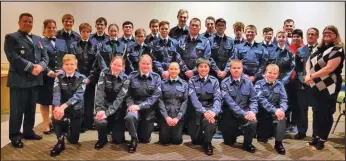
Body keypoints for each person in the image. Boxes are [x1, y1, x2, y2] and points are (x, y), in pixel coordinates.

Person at [4, 13, 49, 148]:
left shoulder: (37, 39)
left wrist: (41, 66)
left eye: (30, 22)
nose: (28, 24)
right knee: (17, 110)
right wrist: (31, 68)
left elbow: (45, 56)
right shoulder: (11, 37)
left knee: (30, 108)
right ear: (19, 22)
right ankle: (15, 136)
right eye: (25, 21)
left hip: (35, 80)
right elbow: (13, 57)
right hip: (19, 80)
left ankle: (28, 132)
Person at [304, 25, 345, 150]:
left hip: (330, 86)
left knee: (326, 113)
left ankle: (322, 139)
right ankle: (315, 137)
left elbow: (329, 68)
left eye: (330, 33)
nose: (327, 34)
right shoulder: (319, 48)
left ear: (335, 35)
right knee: (316, 112)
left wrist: (311, 75)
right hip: (316, 85)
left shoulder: (338, 49)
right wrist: (308, 74)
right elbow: (308, 61)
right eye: (325, 32)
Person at [50, 54, 86, 157]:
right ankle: (60, 141)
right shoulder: (59, 77)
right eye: (67, 64)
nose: (69, 66)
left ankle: (67, 129)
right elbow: (56, 93)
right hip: (62, 110)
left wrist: (63, 106)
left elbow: (78, 96)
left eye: (72, 64)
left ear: (76, 65)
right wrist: (57, 107)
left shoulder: (82, 78)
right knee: (56, 117)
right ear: (63, 65)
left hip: (76, 110)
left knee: (73, 140)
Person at [219, 59, 258, 153]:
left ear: (242, 69)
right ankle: (236, 132)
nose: (236, 70)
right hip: (230, 114)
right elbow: (230, 103)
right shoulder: (224, 83)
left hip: (245, 112)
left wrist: (252, 111)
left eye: (238, 68)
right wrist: (244, 113)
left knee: (253, 121)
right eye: (234, 68)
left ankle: (247, 143)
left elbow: (254, 99)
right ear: (230, 69)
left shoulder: (248, 82)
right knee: (229, 142)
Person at [125, 54, 161, 153]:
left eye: (148, 64)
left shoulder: (156, 78)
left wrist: (139, 107)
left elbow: (154, 97)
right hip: (134, 106)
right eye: (143, 63)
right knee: (130, 117)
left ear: (151, 65)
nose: (145, 66)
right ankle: (133, 139)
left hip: (148, 110)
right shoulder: (132, 76)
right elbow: (128, 94)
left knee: (145, 139)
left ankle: (140, 133)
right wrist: (131, 106)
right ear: (139, 64)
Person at [38, 19, 68, 135]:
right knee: (45, 101)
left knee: (56, 101)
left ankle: (54, 122)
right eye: (49, 27)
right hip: (46, 76)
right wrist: (50, 72)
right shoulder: (40, 42)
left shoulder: (62, 42)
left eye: (53, 27)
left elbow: (66, 57)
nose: (52, 29)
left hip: (60, 76)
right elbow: (40, 59)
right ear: (44, 29)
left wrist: (64, 70)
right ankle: (46, 124)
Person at [94, 56, 129, 149]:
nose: (116, 67)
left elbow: (119, 99)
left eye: (119, 65)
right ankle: (102, 139)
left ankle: (113, 131)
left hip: (118, 109)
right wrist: (99, 109)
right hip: (104, 106)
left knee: (118, 140)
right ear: (110, 64)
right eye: (114, 64)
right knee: (99, 121)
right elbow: (100, 92)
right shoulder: (104, 73)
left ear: (123, 67)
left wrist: (108, 113)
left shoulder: (126, 79)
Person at [188, 58, 221, 155]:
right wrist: (204, 112)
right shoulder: (192, 80)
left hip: (210, 109)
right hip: (197, 111)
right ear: (197, 68)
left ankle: (208, 143)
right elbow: (194, 99)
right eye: (201, 67)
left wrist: (213, 112)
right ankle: (201, 136)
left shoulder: (214, 81)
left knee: (209, 122)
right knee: (196, 141)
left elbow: (217, 99)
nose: (203, 69)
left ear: (209, 68)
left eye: (205, 66)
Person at [70, 22, 98, 132]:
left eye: (88, 32)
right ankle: (79, 124)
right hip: (77, 79)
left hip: (90, 79)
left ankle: (88, 123)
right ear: (80, 32)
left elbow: (96, 64)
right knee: (78, 100)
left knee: (89, 101)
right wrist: (80, 77)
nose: (85, 34)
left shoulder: (95, 46)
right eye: (83, 32)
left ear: (90, 33)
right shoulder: (73, 45)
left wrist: (90, 78)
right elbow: (72, 62)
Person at [254, 64, 287, 155]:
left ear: (278, 74)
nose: (272, 75)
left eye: (274, 73)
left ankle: (278, 143)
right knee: (262, 139)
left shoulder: (280, 85)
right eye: (270, 73)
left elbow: (284, 99)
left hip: (275, 112)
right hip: (262, 112)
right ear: (265, 73)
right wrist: (275, 110)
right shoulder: (258, 84)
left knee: (282, 118)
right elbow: (261, 100)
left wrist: (282, 110)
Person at [294, 28, 319, 140]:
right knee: (302, 110)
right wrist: (303, 79)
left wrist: (314, 79)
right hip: (303, 85)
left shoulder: (322, 49)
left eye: (313, 34)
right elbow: (298, 68)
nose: (310, 36)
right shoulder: (300, 50)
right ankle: (302, 132)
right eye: (308, 34)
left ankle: (316, 134)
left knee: (316, 111)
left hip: (317, 85)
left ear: (317, 36)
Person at [158, 62, 188, 145]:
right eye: (171, 69)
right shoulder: (162, 83)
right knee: (164, 141)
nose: (173, 71)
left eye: (175, 69)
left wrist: (178, 117)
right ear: (168, 70)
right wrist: (166, 117)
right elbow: (160, 100)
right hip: (165, 115)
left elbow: (185, 102)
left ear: (179, 70)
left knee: (177, 141)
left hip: (178, 115)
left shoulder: (184, 84)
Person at [285, 29, 304, 134]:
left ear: (301, 37)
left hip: (300, 81)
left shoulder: (304, 49)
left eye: (298, 36)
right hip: (289, 80)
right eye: (294, 36)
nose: (296, 38)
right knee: (288, 102)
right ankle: (286, 124)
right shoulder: (289, 49)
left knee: (298, 104)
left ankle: (294, 124)